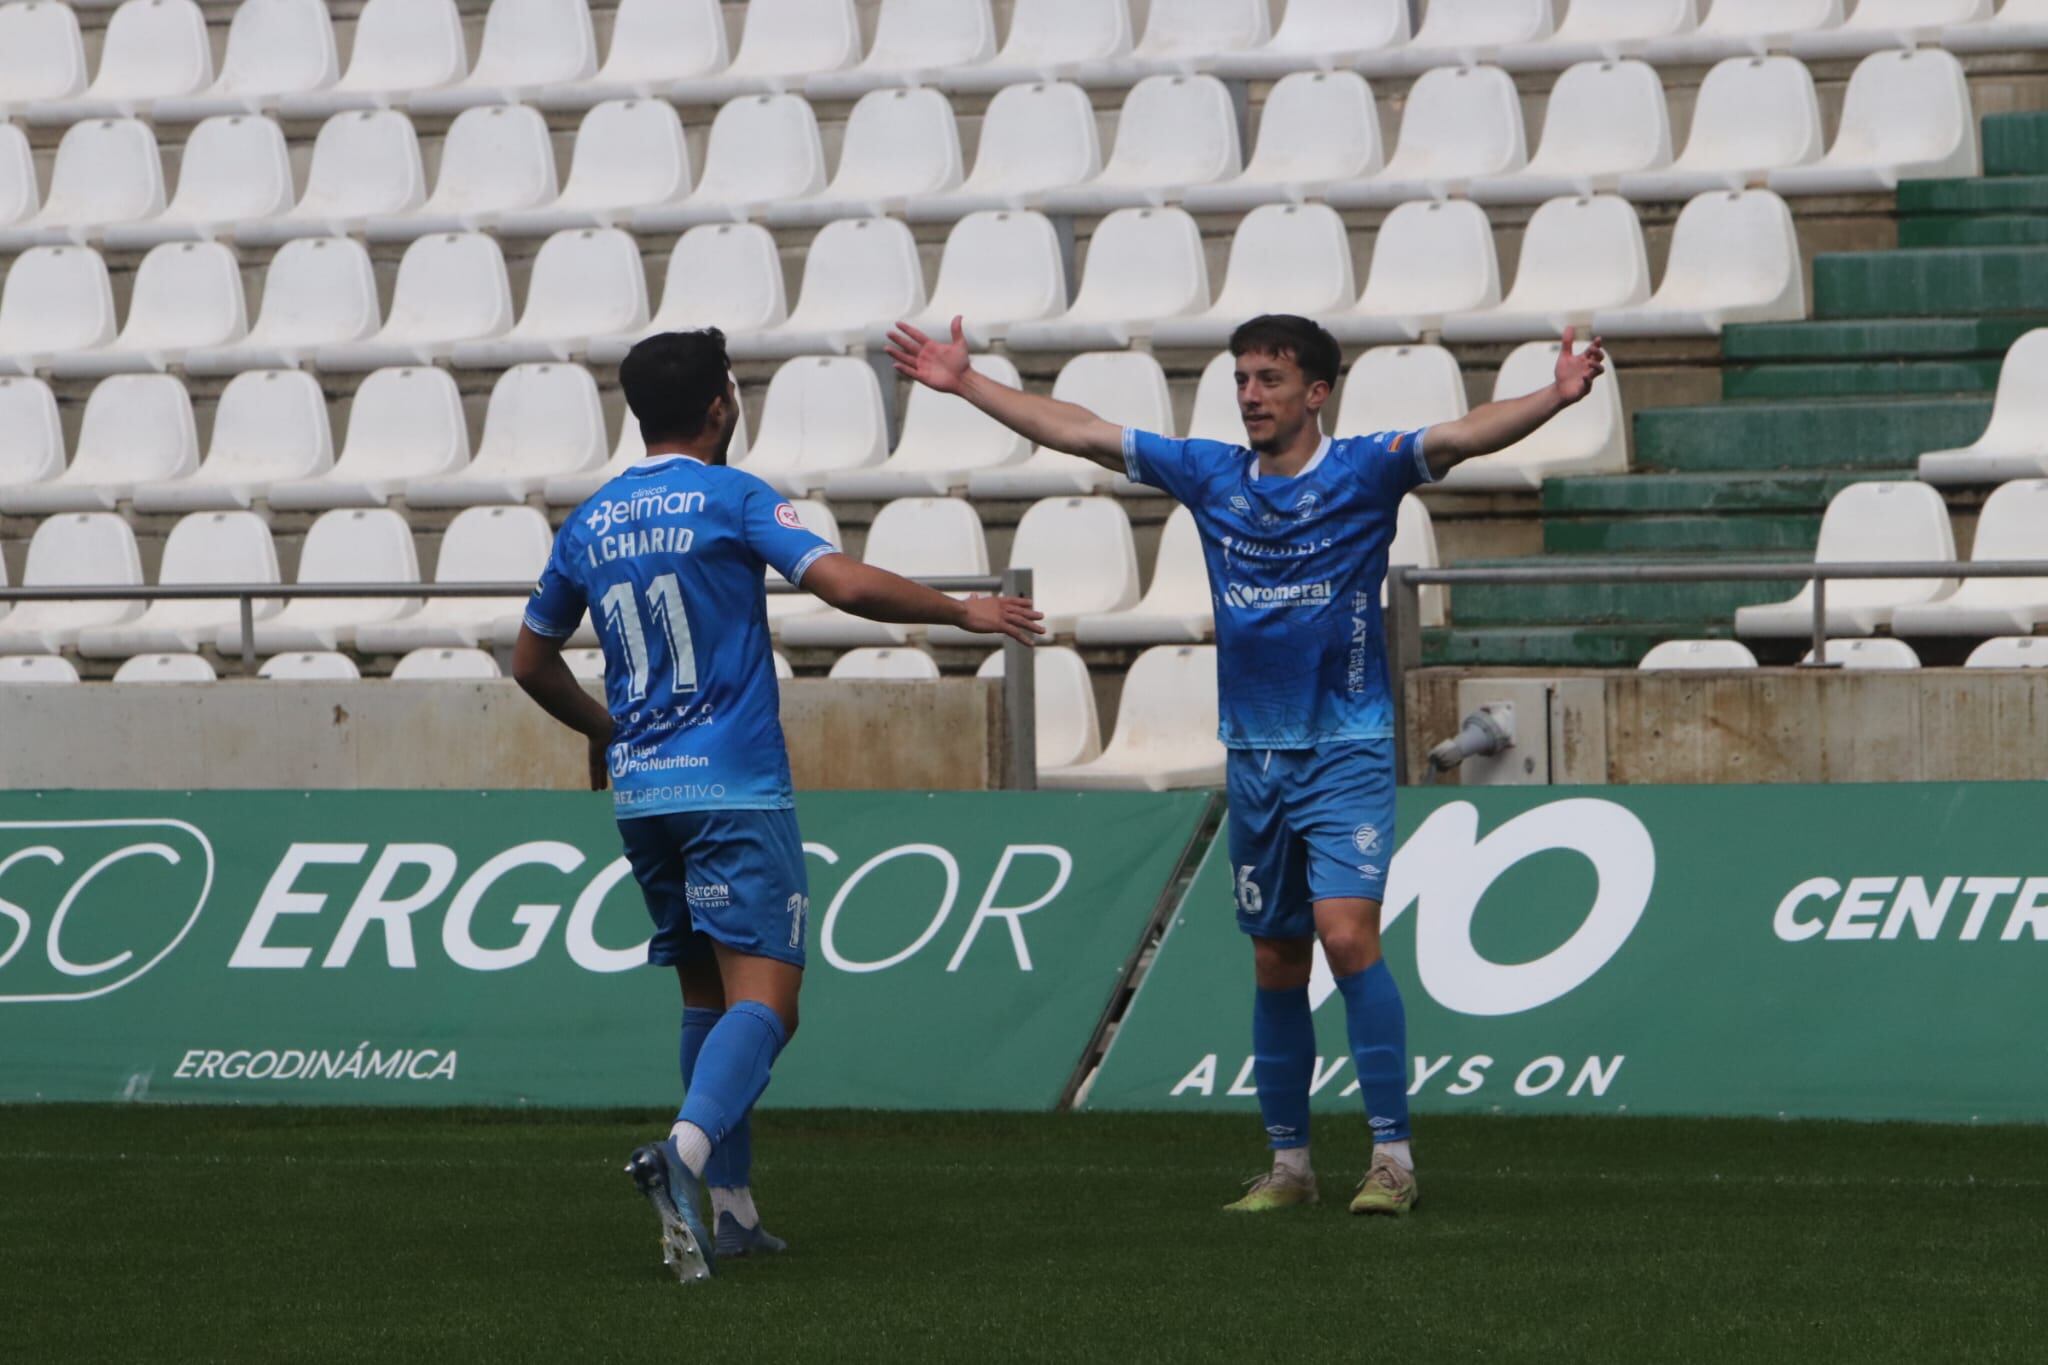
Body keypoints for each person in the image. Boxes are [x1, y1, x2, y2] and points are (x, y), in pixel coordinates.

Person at [886, 313, 1607, 1217]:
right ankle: (1291, 1165)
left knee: (1346, 937)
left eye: (1268, 378)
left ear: (1316, 392)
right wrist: (964, 384)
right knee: (1275, 955)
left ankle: (1392, 1158)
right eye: (1241, 379)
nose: (1249, 395)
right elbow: (1081, 430)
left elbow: (1461, 434)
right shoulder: (1212, 475)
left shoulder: (1365, 470)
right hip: (1256, 756)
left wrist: (1558, 393)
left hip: (1343, 747)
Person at [513, 329, 1044, 1282]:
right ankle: (682, 1156)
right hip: (732, 785)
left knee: (704, 996)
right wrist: (960, 609)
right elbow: (835, 580)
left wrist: (606, 729)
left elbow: (530, 659)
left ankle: (734, 1212)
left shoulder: (590, 521)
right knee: (771, 1004)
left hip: (645, 794)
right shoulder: (735, 496)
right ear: (722, 404)